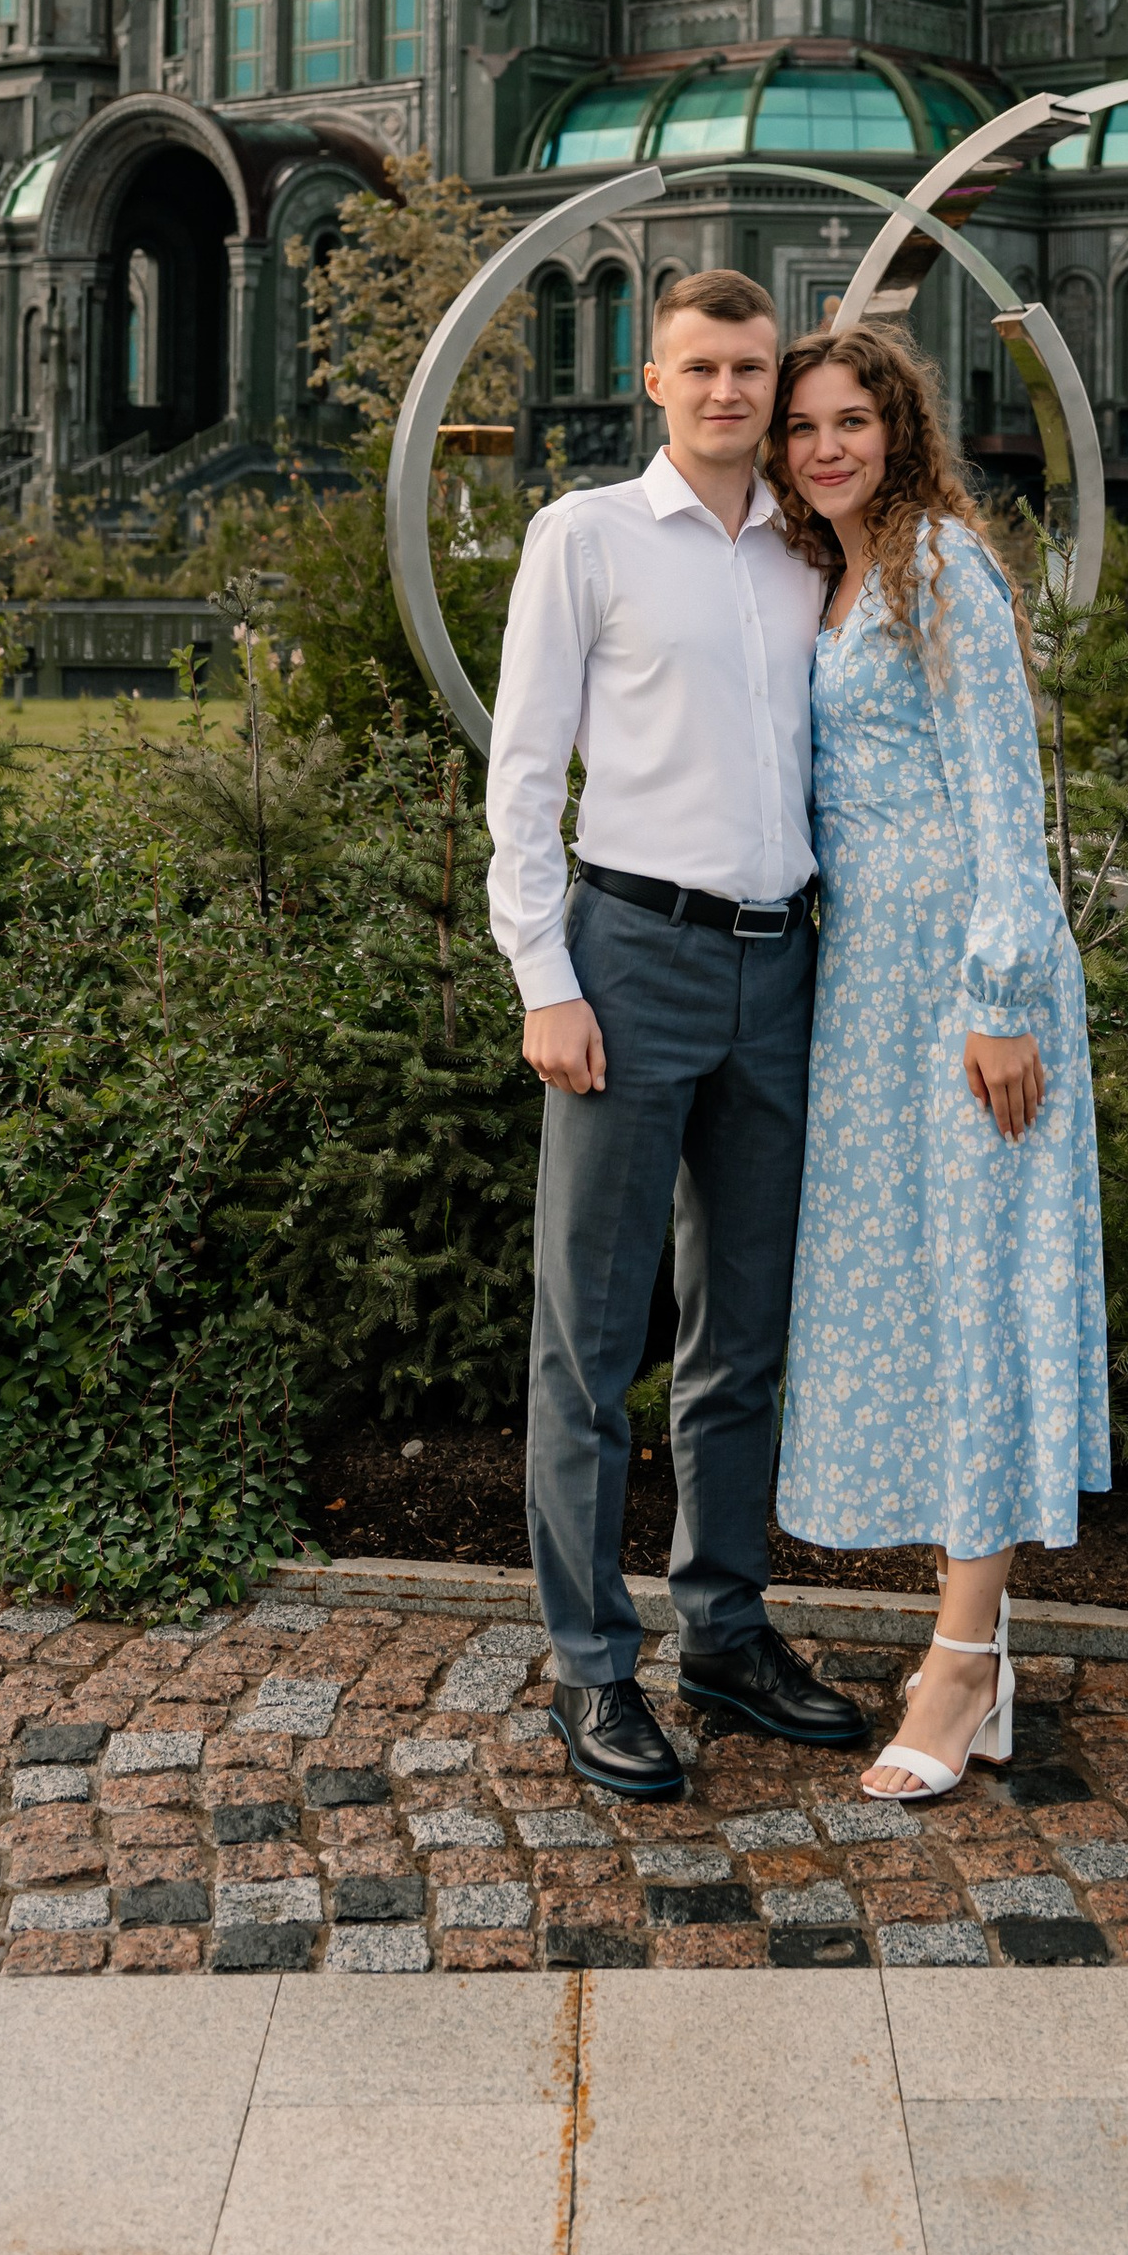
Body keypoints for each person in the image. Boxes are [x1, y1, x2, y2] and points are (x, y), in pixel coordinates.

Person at [486, 267, 867, 1799]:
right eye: (700, 366)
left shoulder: (807, 553)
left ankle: (725, 1628)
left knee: (742, 1335)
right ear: (654, 379)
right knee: (590, 1341)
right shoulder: (585, 537)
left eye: (750, 368)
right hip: (628, 957)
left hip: (781, 968)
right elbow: (524, 773)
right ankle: (591, 1666)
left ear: (777, 381)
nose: (727, 390)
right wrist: (543, 975)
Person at [766, 321, 1109, 1801]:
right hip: (867, 990)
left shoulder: (938, 566)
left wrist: (1002, 993)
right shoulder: (828, 575)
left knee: (979, 1295)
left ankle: (960, 1664)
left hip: (967, 980)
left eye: (851, 420)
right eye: (802, 427)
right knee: (914, 1294)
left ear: (899, 427)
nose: (825, 447)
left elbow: (1002, 790)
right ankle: (981, 1644)